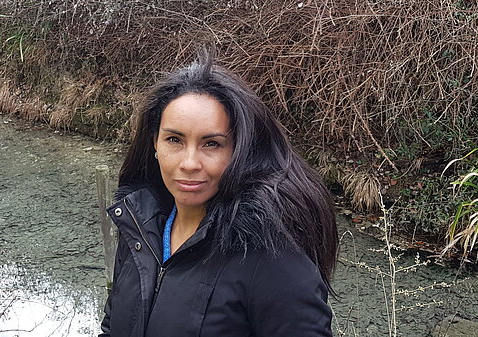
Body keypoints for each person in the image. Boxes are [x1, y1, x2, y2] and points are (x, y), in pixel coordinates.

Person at [99, 52, 338, 337]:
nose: (189, 163)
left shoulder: (271, 251)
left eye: (211, 144)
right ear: (155, 143)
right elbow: (113, 327)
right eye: (174, 140)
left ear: (239, 152)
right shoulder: (140, 225)